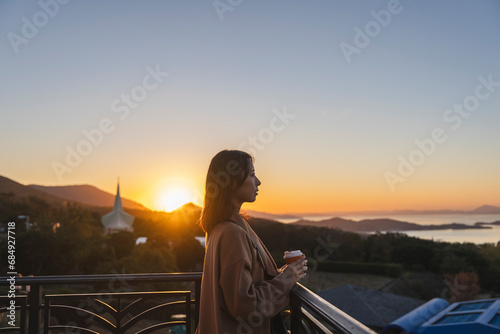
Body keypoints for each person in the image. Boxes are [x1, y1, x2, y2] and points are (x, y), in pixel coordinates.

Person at [196, 150, 307, 334]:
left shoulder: (218, 228)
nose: (258, 182)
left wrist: (281, 274)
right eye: (252, 174)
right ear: (231, 182)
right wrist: (287, 279)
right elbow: (245, 306)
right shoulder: (232, 232)